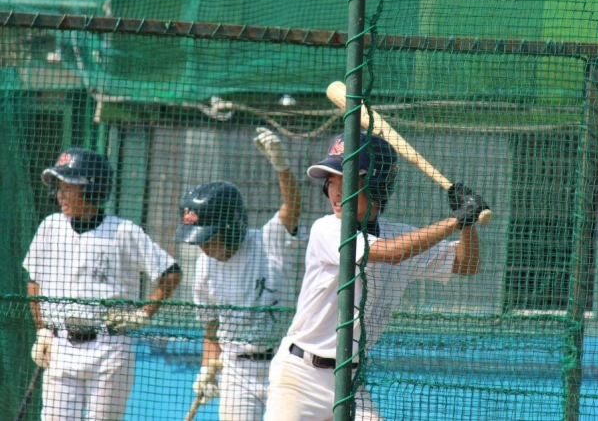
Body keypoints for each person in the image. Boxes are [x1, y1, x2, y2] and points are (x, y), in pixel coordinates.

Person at [264, 132, 489, 421]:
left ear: (376, 186)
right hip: (300, 378)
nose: (335, 191)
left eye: (345, 180)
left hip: (350, 381)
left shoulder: (402, 235)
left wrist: (467, 224)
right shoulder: (327, 229)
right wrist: (456, 220)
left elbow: (466, 264)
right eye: (331, 180)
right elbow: (390, 252)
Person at [24, 147, 182, 420]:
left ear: (92, 188)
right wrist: (43, 331)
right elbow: (34, 282)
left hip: (109, 346)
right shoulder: (50, 227)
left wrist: (143, 314)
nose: (60, 195)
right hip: (61, 345)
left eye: (68, 187)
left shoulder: (123, 231)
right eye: (59, 187)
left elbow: (171, 273)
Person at [175, 127, 304, 421]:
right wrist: (207, 367)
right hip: (236, 369)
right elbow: (211, 327)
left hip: (285, 363)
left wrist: (282, 166)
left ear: (231, 227)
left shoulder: (269, 242)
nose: (202, 246)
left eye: (208, 238)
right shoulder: (203, 266)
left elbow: (293, 206)